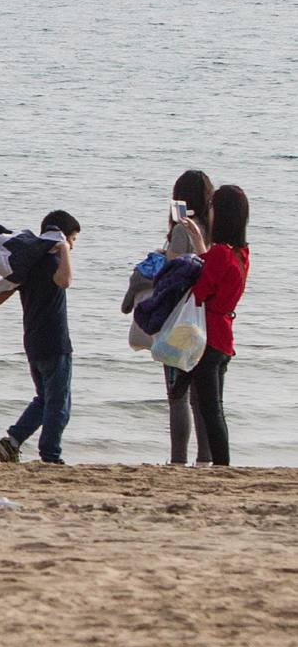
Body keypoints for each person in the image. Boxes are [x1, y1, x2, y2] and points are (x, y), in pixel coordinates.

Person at [0, 211, 78, 464]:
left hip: (33, 342)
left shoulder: (28, 264)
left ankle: (12, 442)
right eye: (73, 239)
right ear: (62, 236)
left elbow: (3, 292)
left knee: (44, 399)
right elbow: (65, 281)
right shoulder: (52, 263)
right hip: (55, 341)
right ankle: (51, 455)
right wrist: (63, 249)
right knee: (59, 405)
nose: (74, 246)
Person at [127, 170, 213, 465]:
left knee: (178, 396)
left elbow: (173, 271)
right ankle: (205, 458)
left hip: (178, 320)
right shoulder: (212, 228)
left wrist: (159, 256)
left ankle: (178, 460)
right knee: (203, 399)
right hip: (204, 317)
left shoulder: (182, 229)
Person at [182, 185, 249, 466]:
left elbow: (200, 289)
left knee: (211, 408)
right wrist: (200, 244)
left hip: (207, 336)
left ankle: (221, 464)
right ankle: (219, 463)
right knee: (214, 406)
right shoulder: (241, 253)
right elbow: (214, 272)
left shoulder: (221, 253)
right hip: (224, 335)